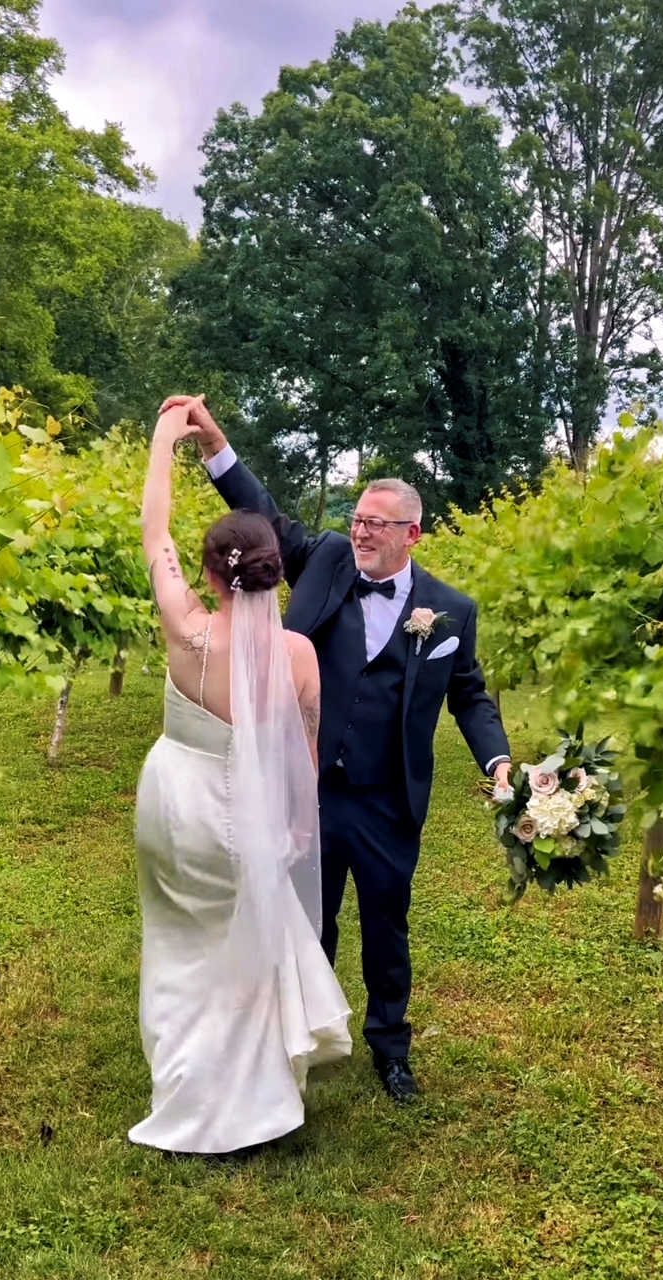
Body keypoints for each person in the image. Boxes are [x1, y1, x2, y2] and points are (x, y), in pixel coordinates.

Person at [160, 393, 512, 1104]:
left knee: (386, 925)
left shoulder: (450, 611)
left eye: (376, 524)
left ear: (412, 534)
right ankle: (297, 1034)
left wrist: (498, 761)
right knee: (304, 918)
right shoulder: (322, 559)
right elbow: (259, 509)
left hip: (388, 800)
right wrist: (215, 445)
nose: (360, 532)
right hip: (308, 789)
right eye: (357, 520)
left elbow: (470, 696)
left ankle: (391, 1047)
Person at [129, 402, 351, 1157]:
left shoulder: (186, 628)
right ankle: (253, 1095)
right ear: (274, 570)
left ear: (207, 571)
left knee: (178, 944)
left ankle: (183, 1082)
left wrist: (166, 439)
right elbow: (306, 758)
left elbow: (153, 530)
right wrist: (291, 829)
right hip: (246, 812)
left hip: (174, 805)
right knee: (247, 944)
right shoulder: (298, 656)